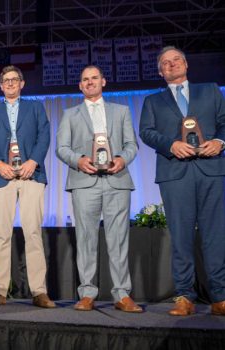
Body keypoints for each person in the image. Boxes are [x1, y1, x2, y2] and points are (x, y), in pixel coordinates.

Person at [139, 46, 225, 316]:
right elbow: (146, 132)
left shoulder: (210, 90)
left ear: (186, 64)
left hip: (211, 169)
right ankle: (185, 296)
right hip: (174, 173)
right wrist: (171, 145)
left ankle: (220, 296)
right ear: (160, 71)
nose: (172, 64)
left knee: (216, 235)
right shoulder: (153, 100)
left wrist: (220, 141)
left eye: (176, 60)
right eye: (166, 63)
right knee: (181, 236)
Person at [56, 65, 142, 313]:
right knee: (85, 240)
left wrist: (122, 160)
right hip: (84, 181)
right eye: (85, 79)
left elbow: (131, 144)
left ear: (103, 81)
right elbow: (62, 148)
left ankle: (122, 294)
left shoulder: (122, 111)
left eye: (94, 78)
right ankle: (87, 293)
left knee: (118, 239)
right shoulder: (70, 114)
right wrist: (79, 160)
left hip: (117, 180)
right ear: (80, 86)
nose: (90, 82)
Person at [0, 65, 54, 308]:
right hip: (3, 177)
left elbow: (44, 136)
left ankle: (39, 291)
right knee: (1, 235)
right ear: (1, 86)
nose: (10, 83)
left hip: (31, 175)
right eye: (6, 80)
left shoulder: (35, 108)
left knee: (33, 233)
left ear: (22, 84)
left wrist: (33, 161)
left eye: (15, 80)